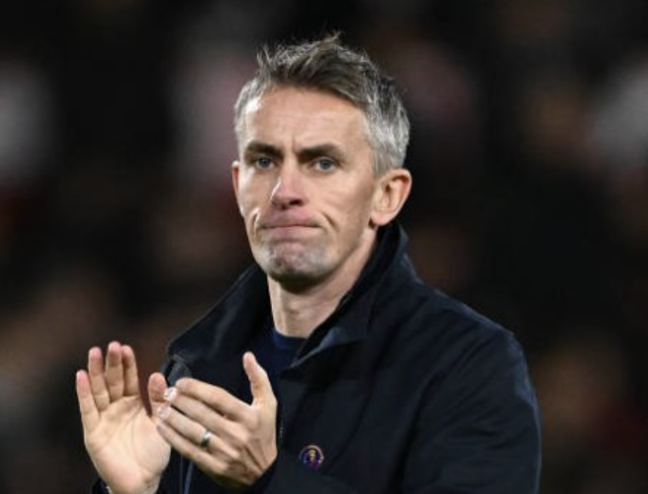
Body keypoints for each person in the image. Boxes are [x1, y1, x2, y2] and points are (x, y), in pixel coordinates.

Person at [75, 34, 541, 494]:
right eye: (264, 161)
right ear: (237, 186)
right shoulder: (199, 369)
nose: (284, 192)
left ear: (386, 195)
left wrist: (272, 480)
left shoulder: (468, 365)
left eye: (322, 163)